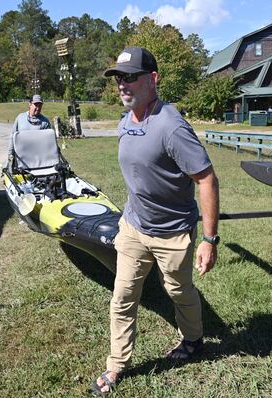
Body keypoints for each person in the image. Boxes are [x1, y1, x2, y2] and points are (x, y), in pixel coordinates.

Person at [91, 47, 220, 395]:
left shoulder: (171, 126)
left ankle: (193, 340)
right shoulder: (125, 120)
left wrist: (209, 240)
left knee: (179, 290)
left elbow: (206, 179)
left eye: (130, 76)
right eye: (119, 77)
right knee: (122, 296)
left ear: (153, 79)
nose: (122, 84)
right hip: (133, 227)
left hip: (172, 234)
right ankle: (116, 365)